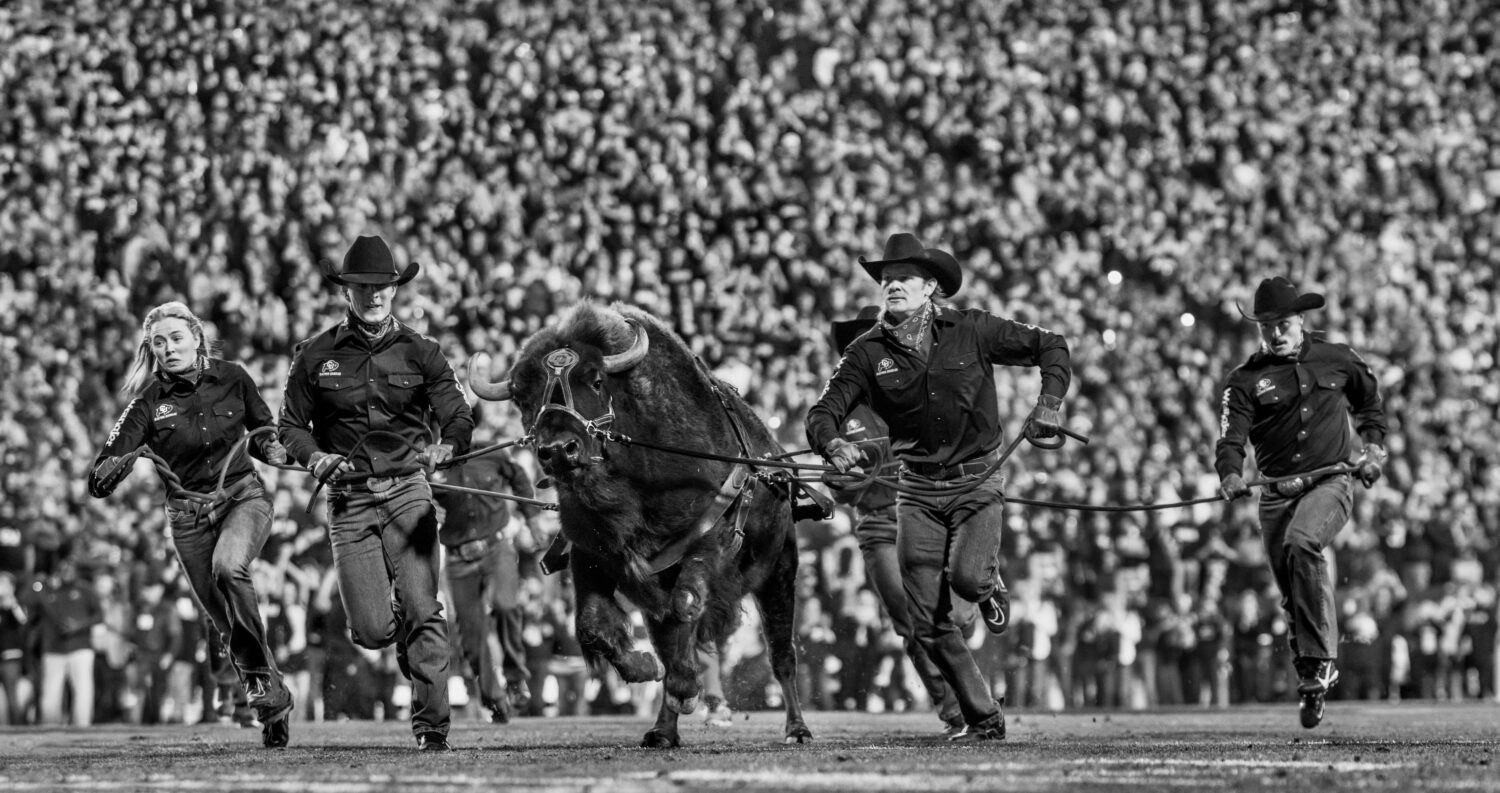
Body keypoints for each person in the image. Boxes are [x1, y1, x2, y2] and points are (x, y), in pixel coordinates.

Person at [805, 233, 1072, 741]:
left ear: (929, 286)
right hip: (917, 492)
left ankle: (989, 584)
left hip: (977, 479)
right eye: (885, 281)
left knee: (968, 581)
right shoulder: (866, 353)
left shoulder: (972, 328)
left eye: (901, 278)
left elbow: (1050, 344)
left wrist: (1049, 405)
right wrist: (832, 445)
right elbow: (822, 412)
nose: (891, 287)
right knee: (926, 621)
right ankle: (982, 718)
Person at [278, 235, 473, 751]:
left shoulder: (424, 351)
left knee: (423, 605)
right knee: (369, 631)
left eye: (383, 286)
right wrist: (314, 456)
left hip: (409, 488)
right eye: (363, 287)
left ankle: (432, 728)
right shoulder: (315, 356)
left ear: (395, 289)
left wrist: (447, 447)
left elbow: (458, 414)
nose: (374, 295)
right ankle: (402, 632)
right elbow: (290, 427)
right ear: (347, 291)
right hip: (349, 496)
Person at [87, 300, 294, 746]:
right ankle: (272, 699)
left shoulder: (235, 377)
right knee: (223, 619)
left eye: (176, 338)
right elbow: (103, 469)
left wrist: (275, 450)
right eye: (158, 343)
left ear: (197, 338)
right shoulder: (147, 403)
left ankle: (259, 686)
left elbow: (262, 433)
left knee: (229, 567)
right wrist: (109, 471)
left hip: (243, 498)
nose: (167, 348)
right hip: (187, 519)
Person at [1214, 276, 1387, 729]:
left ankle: (1322, 658)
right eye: (1266, 326)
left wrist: (1372, 451)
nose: (1275, 333)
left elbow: (1370, 406)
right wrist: (1230, 475)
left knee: (1303, 543)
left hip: (1330, 483)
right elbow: (1229, 441)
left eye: (1283, 324)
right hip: (1274, 494)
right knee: (1292, 594)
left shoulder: (1338, 357)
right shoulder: (1244, 380)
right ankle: (1311, 675)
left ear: (1301, 321)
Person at [824, 305, 972, 735]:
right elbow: (842, 487)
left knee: (956, 608)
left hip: (929, 509)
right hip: (880, 523)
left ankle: (984, 585)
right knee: (911, 622)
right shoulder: (838, 413)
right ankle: (955, 711)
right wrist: (841, 476)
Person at [434, 437, 544, 724]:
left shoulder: (490, 452)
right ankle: (493, 698)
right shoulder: (429, 462)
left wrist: (531, 517)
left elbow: (518, 476)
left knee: (506, 604)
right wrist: (427, 507)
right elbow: (416, 499)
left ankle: (516, 677)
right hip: (458, 559)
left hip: (497, 548)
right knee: (471, 634)